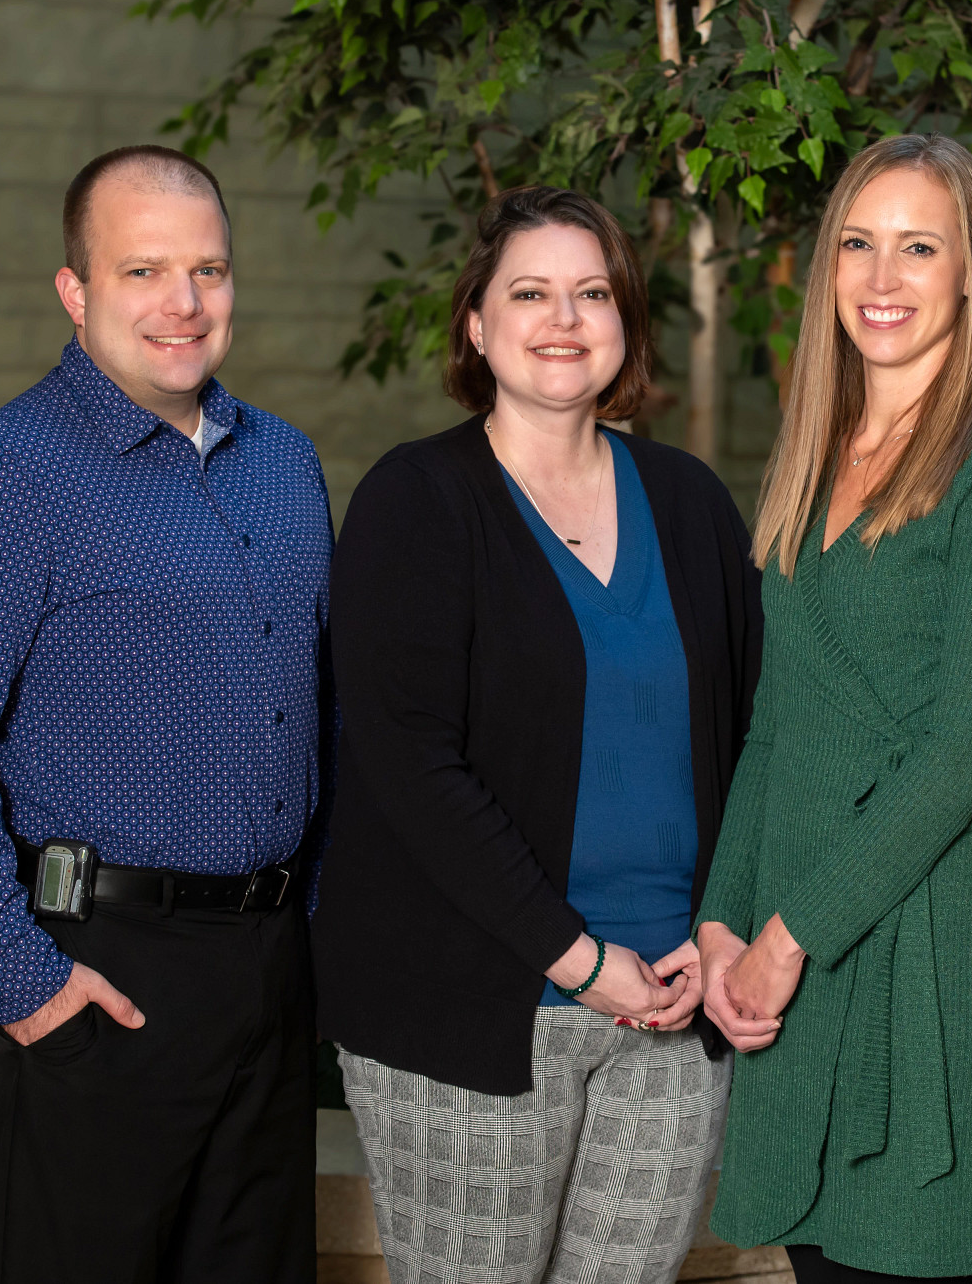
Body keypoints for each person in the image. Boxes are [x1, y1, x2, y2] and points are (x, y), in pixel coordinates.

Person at [0, 145, 333, 1284]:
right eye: (142, 272)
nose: (182, 304)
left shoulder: (285, 463)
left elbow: (318, 705)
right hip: (99, 970)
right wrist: (20, 982)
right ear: (75, 292)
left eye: (209, 270)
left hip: (269, 971)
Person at [310, 185, 763, 1284]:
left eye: (591, 293)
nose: (562, 319)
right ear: (476, 323)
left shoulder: (691, 502)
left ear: (624, 324)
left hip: (673, 997)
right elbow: (408, 763)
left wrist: (720, 932)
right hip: (476, 1005)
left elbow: (753, 737)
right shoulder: (416, 500)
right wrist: (577, 959)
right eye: (529, 292)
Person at [693, 134, 972, 1283]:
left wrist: (782, 937)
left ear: (971, 274)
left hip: (922, 964)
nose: (880, 278)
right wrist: (721, 920)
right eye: (857, 245)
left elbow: (967, 752)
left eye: (918, 248)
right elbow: (776, 721)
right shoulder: (811, 456)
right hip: (798, 954)